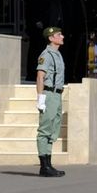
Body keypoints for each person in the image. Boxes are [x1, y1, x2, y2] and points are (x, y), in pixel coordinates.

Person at [33, 27, 68, 178]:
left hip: (57, 94)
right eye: (59, 35)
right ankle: (44, 165)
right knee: (45, 129)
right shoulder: (46, 55)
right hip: (48, 93)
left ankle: (48, 163)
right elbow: (40, 76)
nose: (62, 36)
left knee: (53, 129)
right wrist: (40, 97)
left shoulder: (58, 54)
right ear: (51, 38)